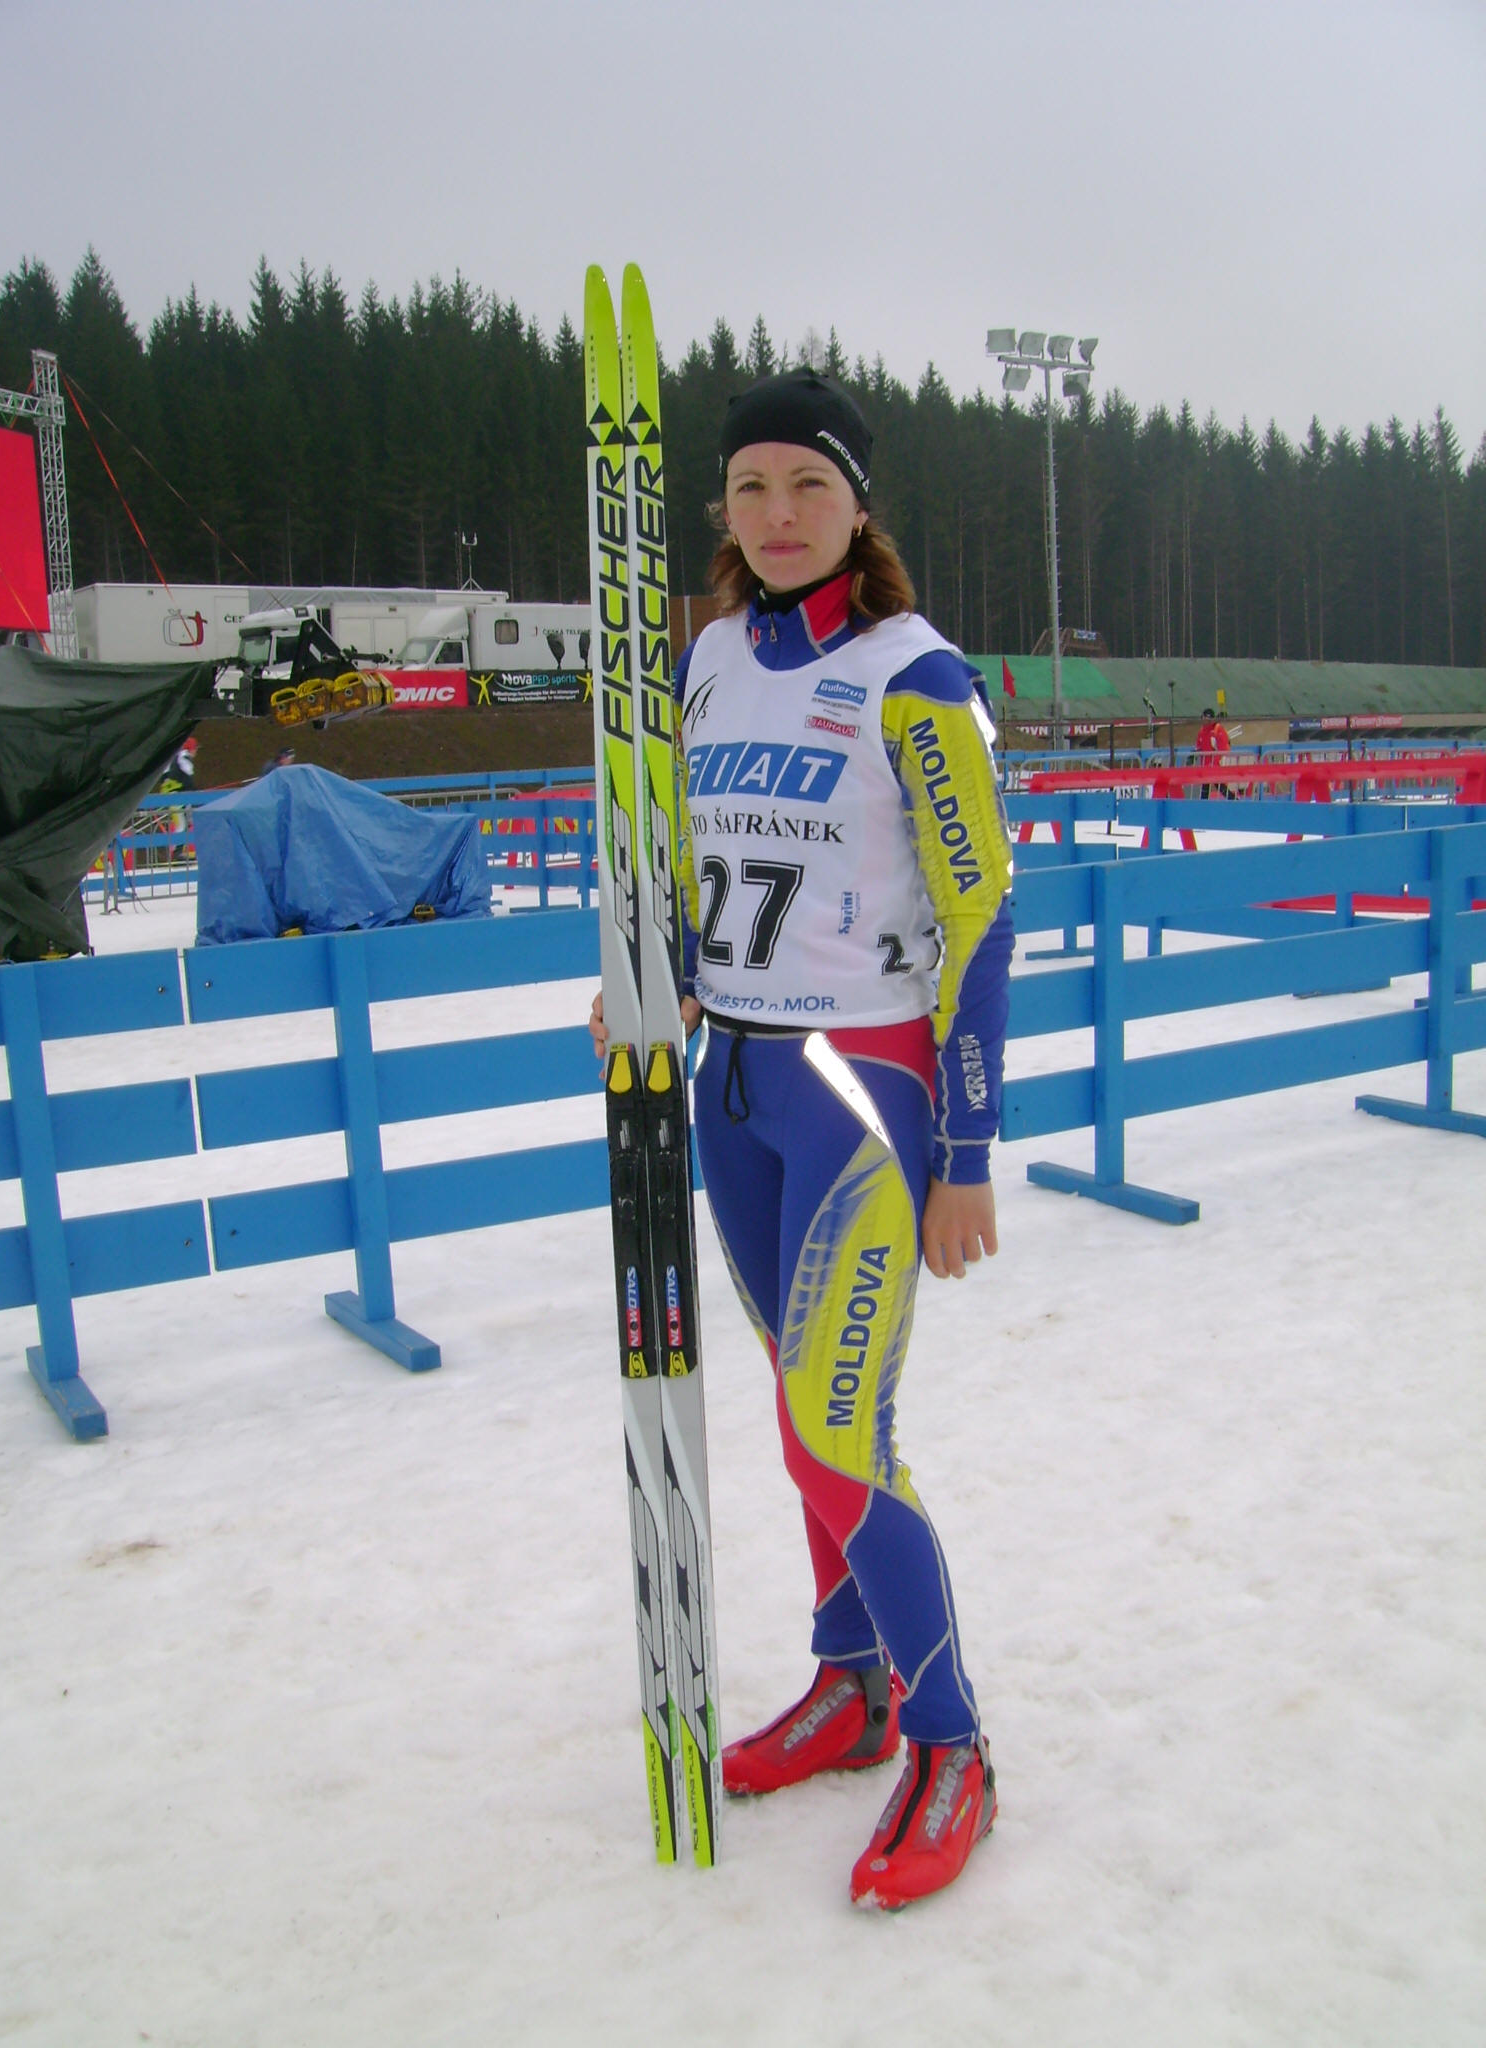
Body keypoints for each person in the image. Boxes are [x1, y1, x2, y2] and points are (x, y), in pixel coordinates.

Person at [589, 368, 1014, 1910]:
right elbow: (688, 860)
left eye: (809, 486)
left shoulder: (915, 675)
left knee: (839, 1432)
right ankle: (853, 1681)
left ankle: (953, 1742)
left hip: (863, 1099)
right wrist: (648, 984)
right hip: (732, 1088)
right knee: (798, 1412)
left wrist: (969, 1149)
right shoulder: (706, 662)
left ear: (857, 505)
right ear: (723, 507)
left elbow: (981, 916)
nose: (778, 515)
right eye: (752, 487)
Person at [1195, 706, 1231, 797]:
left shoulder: (1217, 729)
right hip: (1206, 765)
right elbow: (1199, 746)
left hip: (1215, 764)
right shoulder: (1202, 731)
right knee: (1207, 788)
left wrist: (1214, 762)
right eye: (1205, 719)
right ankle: (1233, 800)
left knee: (1220, 786)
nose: (1206, 721)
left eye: (1208, 719)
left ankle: (1234, 800)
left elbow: (1224, 748)